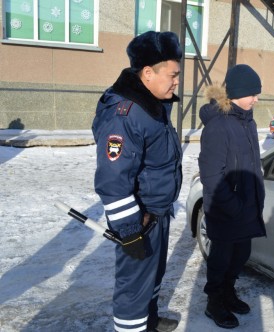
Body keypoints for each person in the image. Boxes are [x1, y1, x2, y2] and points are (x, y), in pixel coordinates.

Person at [92, 31, 183, 332]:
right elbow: (112, 180)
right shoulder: (126, 113)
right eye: (172, 75)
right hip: (139, 220)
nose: (176, 82)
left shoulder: (154, 104)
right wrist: (130, 231)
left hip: (158, 212)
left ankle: (151, 323)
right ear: (147, 73)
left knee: (153, 278)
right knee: (134, 289)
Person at [198, 64, 267, 329]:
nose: (256, 99)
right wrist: (234, 205)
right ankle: (214, 301)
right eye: (252, 94)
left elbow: (251, 163)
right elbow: (212, 175)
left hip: (247, 206)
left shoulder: (248, 121)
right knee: (221, 259)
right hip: (227, 209)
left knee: (240, 256)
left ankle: (229, 292)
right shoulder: (218, 126)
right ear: (237, 92)